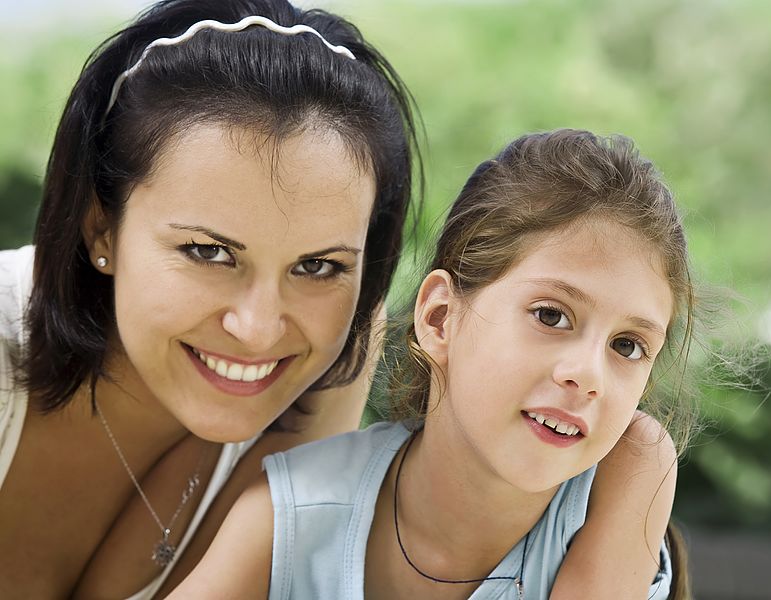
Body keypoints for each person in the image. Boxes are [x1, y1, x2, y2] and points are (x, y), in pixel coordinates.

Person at [0, 0, 422, 597]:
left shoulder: (318, 380)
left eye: (316, 265)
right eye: (208, 252)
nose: (256, 328)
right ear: (102, 229)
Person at [173, 129, 701, 599]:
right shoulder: (292, 516)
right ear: (441, 317)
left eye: (628, 346)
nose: (587, 374)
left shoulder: (629, 477)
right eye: (550, 315)